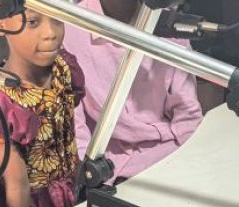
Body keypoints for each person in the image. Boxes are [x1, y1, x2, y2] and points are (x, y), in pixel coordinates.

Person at [0, 9, 85, 207]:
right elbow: (17, 186)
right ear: (0, 22)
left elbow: (67, 134)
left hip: (73, 189)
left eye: (57, 19)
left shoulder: (64, 68)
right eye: (33, 22)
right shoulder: (0, 104)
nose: (50, 33)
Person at [64, 0, 204, 183]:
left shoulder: (169, 23)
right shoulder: (72, 27)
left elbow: (187, 117)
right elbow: (75, 127)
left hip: (166, 152)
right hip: (104, 162)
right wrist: (87, 178)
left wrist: (191, 164)